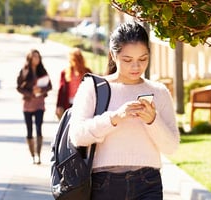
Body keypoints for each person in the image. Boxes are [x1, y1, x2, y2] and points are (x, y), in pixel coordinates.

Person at [68, 21, 180, 199]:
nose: (136, 67)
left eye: (143, 59)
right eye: (128, 60)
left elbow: (171, 147)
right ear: (113, 55)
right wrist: (114, 118)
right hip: (104, 184)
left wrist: (153, 121)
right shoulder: (93, 87)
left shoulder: (159, 92)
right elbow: (77, 136)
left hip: (148, 183)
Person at [16, 49, 52, 165]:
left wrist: (41, 90)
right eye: (34, 57)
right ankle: (32, 154)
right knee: (29, 130)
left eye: (38, 57)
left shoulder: (42, 71)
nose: (36, 59)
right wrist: (30, 93)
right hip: (28, 104)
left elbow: (49, 85)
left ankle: (38, 155)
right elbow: (18, 87)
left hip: (40, 104)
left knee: (39, 128)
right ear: (30, 58)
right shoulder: (24, 71)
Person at [55, 48, 92, 120]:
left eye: (76, 59)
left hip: (83, 104)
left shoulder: (87, 72)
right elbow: (61, 89)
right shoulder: (65, 72)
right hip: (68, 104)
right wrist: (59, 105)